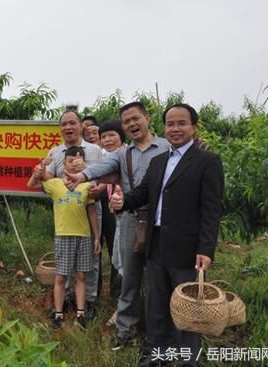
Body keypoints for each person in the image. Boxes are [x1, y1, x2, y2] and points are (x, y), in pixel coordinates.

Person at [109, 103, 224, 367]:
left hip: (187, 248)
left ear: (193, 127)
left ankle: (186, 361)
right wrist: (122, 201)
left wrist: (206, 249)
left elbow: (211, 210)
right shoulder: (159, 161)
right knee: (157, 305)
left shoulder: (207, 161)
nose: (175, 129)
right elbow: (142, 194)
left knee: (186, 309)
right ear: (164, 127)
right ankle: (156, 355)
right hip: (156, 243)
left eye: (181, 123)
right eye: (170, 124)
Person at [64, 102, 170, 349]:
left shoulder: (167, 147)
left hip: (162, 222)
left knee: (159, 279)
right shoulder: (124, 154)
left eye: (136, 118)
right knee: (129, 276)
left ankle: (158, 335)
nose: (132, 124)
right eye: (126, 121)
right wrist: (82, 175)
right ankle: (126, 330)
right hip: (131, 219)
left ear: (147, 118)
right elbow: (104, 166)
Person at [41, 110, 103, 320]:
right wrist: (41, 171)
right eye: (64, 124)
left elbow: (105, 175)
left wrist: (94, 181)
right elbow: (48, 177)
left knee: (89, 261)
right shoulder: (56, 152)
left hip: (90, 206)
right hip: (66, 212)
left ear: (81, 126)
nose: (68, 127)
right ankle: (67, 299)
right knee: (65, 261)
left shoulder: (94, 150)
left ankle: (89, 301)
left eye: (72, 123)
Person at [29, 146, 101, 329]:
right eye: (71, 161)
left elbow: (91, 212)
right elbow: (31, 185)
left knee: (81, 276)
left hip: (84, 236)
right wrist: (38, 171)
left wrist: (97, 237)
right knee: (61, 277)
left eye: (79, 162)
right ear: (63, 163)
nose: (75, 165)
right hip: (63, 235)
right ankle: (59, 314)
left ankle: (81, 313)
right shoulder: (55, 183)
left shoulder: (87, 185)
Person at [88, 120, 127, 325]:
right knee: (118, 260)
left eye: (111, 135)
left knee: (123, 261)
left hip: (131, 218)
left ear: (122, 137)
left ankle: (124, 310)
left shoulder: (127, 156)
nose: (107, 139)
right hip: (118, 214)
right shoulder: (111, 157)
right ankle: (122, 307)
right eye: (104, 137)